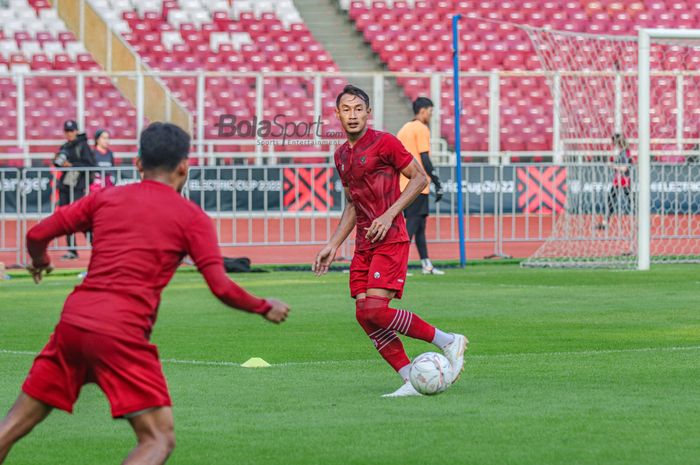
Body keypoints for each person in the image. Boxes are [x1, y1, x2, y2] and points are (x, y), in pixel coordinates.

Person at [0, 122, 290, 465]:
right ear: (185, 166)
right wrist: (263, 306)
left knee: (13, 424)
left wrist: (40, 261)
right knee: (158, 439)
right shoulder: (192, 218)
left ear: (138, 163)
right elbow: (221, 287)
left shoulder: (105, 198)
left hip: (73, 325)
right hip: (120, 333)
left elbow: (37, 234)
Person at [313, 85, 467, 398]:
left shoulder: (385, 143)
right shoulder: (341, 155)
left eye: (359, 109)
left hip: (391, 238)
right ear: (337, 114)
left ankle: (448, 340)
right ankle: (411, 377)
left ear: (368, 113)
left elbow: (420, 178)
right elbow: (353, 205)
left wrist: (388, 214)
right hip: (363, 243)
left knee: (377, 310)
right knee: (363, 314)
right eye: (347, 109)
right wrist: (332, 244)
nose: (353, 115)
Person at [397, 97, 444, 275]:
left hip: (404, 183)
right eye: (430, 112)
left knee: (419, 226)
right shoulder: (421, 129)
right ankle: (398, 266)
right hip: (417, 185)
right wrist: (437, 182)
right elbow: (425, 158)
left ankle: (426, 264)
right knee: (412, 226)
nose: (431, 116)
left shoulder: (404, 129)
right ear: (423, 111)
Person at [54, 119, 96, 260]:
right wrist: (60, 162)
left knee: (82, 219)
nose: (69, 133)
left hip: (78, 188)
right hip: (66, 187)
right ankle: (72, 250)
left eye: (71, 131)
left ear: (76, 131)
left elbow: (90, 165)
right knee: (66, 218)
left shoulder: (83, 146)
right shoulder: (65, 146)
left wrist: (71, 165)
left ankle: (95, 246)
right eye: (67, 131)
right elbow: (58, 164)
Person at [598, 133, 633, 230]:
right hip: (619, 180)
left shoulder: (625, 152)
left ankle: (644, 221)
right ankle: (605, 223)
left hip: (623, 180)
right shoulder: (623, 152)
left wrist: (612, 165)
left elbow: (625, 168)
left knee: (630, 201)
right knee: (612, 200)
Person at [90, 128, 116, 192]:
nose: (106, 141)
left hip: (109, 186)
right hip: (96, 188)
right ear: (97, 140)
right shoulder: (92, 153)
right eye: (104, 138)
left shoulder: (110, 153)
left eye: (107, 138)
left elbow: (112, 169)